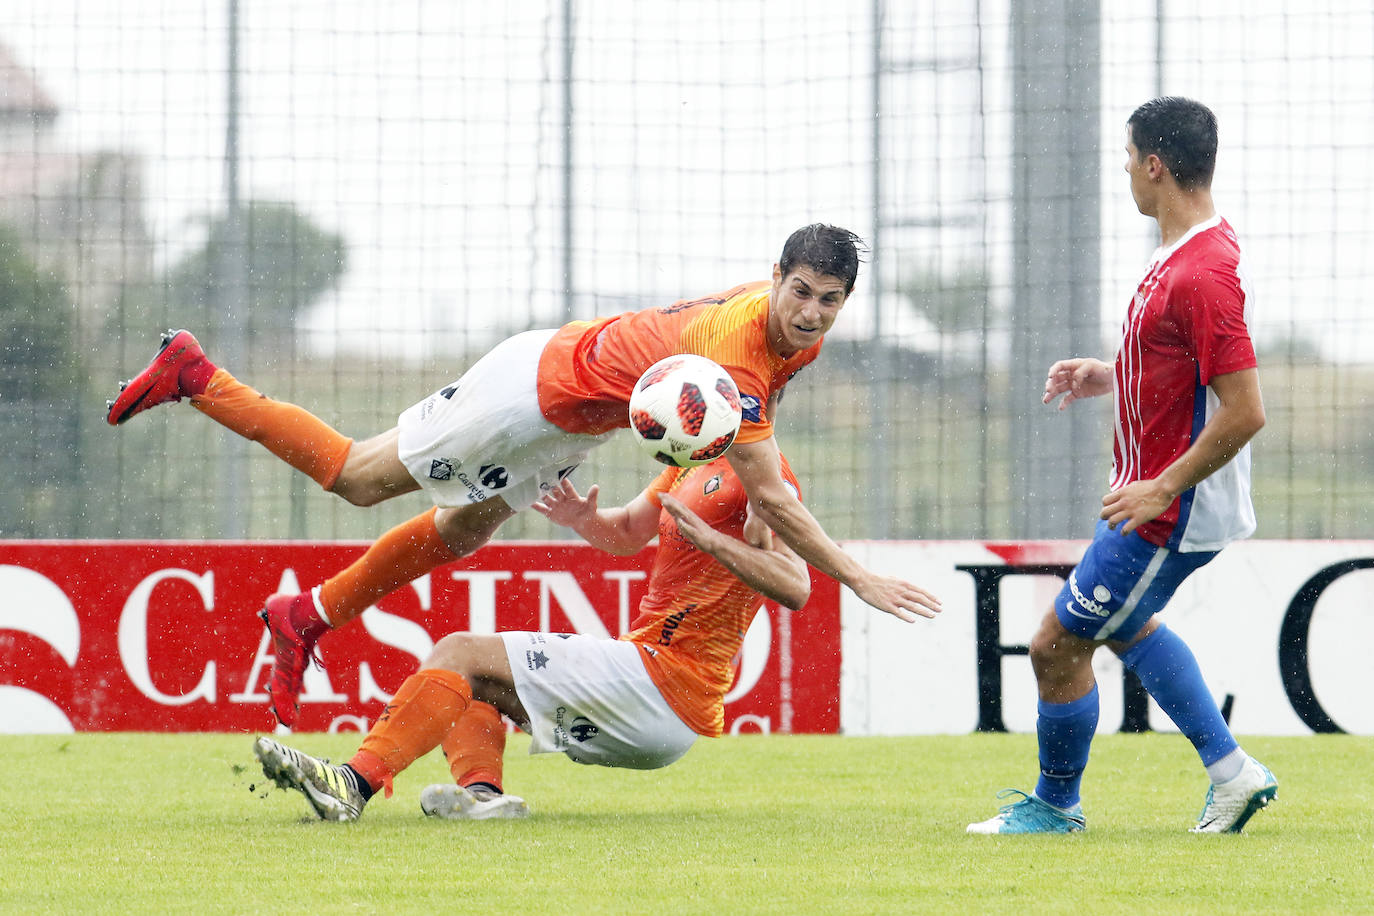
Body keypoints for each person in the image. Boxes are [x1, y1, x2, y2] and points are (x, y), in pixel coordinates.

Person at [107, 223, 940, 729]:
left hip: (575, 422)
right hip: (531, 395)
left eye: (831, 300)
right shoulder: (739, 353)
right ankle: (196, 375)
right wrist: (858, 579)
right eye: (801, 293)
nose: (813, 312)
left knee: (464, 532)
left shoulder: (797, 337)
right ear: (774, 280)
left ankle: (306, 615)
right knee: (358, 478)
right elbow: (772, 497)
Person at [967, 97, 1277, 836]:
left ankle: (1056, 806)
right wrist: (1114, 373)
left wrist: (1161, 485)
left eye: (1128, 159)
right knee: (1125, 624)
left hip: (1171, 509)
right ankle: (1233, 773)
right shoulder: (1182, 254)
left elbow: (1244, 410)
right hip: (1159, 500)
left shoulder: (1204, 272)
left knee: (1055, 644)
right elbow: (1182, 365)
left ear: (1155, 166)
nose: (1126, 174)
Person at [252, 453, 811, 821]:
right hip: (656, 693)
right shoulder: (695, 458)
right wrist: (581, 519)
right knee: (469, 678)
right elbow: (627, 534)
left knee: (458, 653)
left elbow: (796, 584)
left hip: (665, 683)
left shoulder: (767, 478)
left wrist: (720, 545)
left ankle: (351, 785)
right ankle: (483, 798)